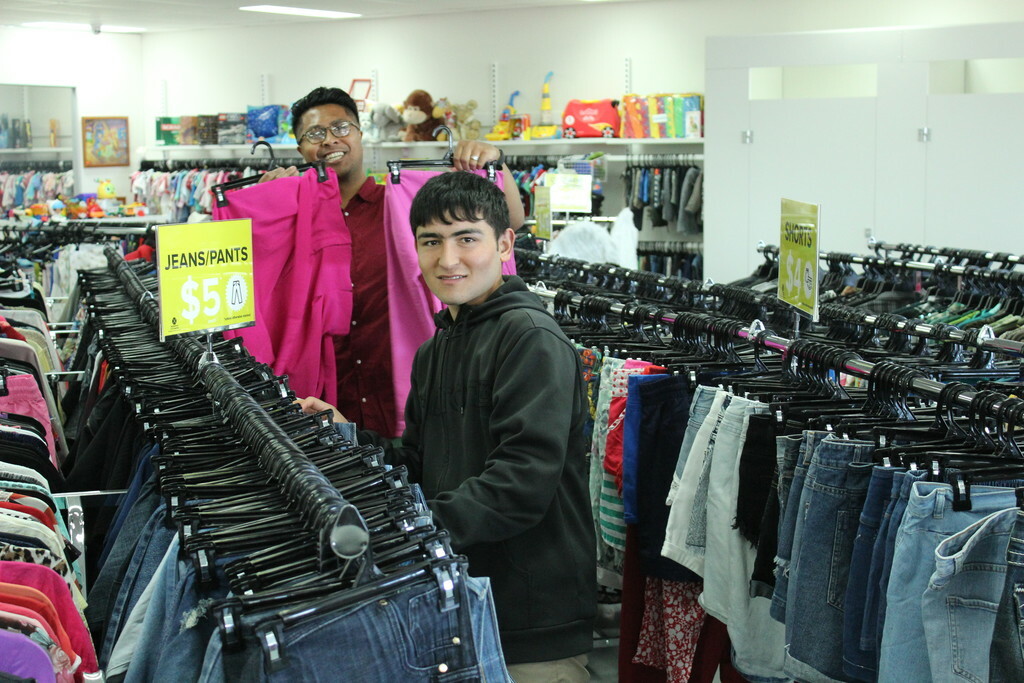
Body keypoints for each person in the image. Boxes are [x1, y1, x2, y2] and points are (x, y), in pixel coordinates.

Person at [300, 171, 596, 681]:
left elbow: (521, 484)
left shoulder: (530, 339)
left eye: (467, 238)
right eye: (431, 241)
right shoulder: (435, 349)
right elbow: (417, 461)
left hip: (529, 617)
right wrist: (345, 437)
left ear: (504, 243)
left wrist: (403, 528)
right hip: (458, 599)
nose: (448, 259)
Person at [263, 86, 525, 439]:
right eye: (314, 134)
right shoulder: (295, 219)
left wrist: (494, 162)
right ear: (300, 149)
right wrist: (268, 205)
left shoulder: (401, 203)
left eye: (340, 128)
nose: (329, 141)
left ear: (360, 135)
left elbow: (510, 218)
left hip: (403, 392)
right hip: (327, 398)